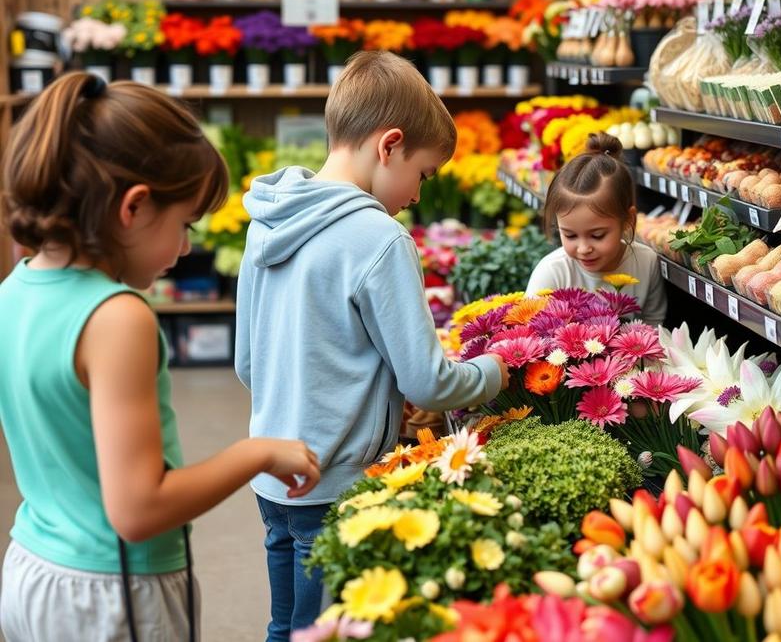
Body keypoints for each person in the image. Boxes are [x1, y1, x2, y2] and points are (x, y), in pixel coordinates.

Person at [0, 72, 321, 642]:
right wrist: (257, 453)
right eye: (184, 224)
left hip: (32, 568)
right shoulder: (117, 317)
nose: (187, 246)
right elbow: (140, 509)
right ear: (134, 207)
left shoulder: (15, 290)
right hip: (112, 592)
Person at [234, 50, 509, 642]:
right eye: (424, 174)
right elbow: (428, 382)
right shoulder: (379, 238)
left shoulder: (266, 221)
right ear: (390, 146)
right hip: (335, 484)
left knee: (285, 627)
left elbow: (248, 363)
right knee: (327, 631)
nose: (418, 196)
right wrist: (494, 369)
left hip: (271, 474)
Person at [526, 132, 667, 326]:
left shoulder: (646, 262)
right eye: (570, 235)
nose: (584, 248)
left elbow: (653, 323)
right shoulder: (552, 273)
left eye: (597, 235)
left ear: (628, 220)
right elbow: (529, 331)